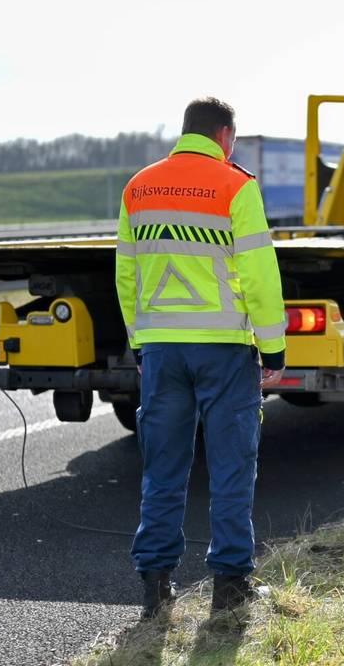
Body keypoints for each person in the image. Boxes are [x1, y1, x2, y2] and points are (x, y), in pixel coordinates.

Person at [114, 96, 286, 618]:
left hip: (163, 350)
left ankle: (155, 584)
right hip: (226, 351)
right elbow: (258, 272)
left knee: (163, 468)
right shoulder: (237, 186)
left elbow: (127, 275)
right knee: (232, 467)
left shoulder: (138, 187)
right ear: (225, 135)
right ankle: (229, 589)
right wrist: (273, 342)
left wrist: (140, 340)